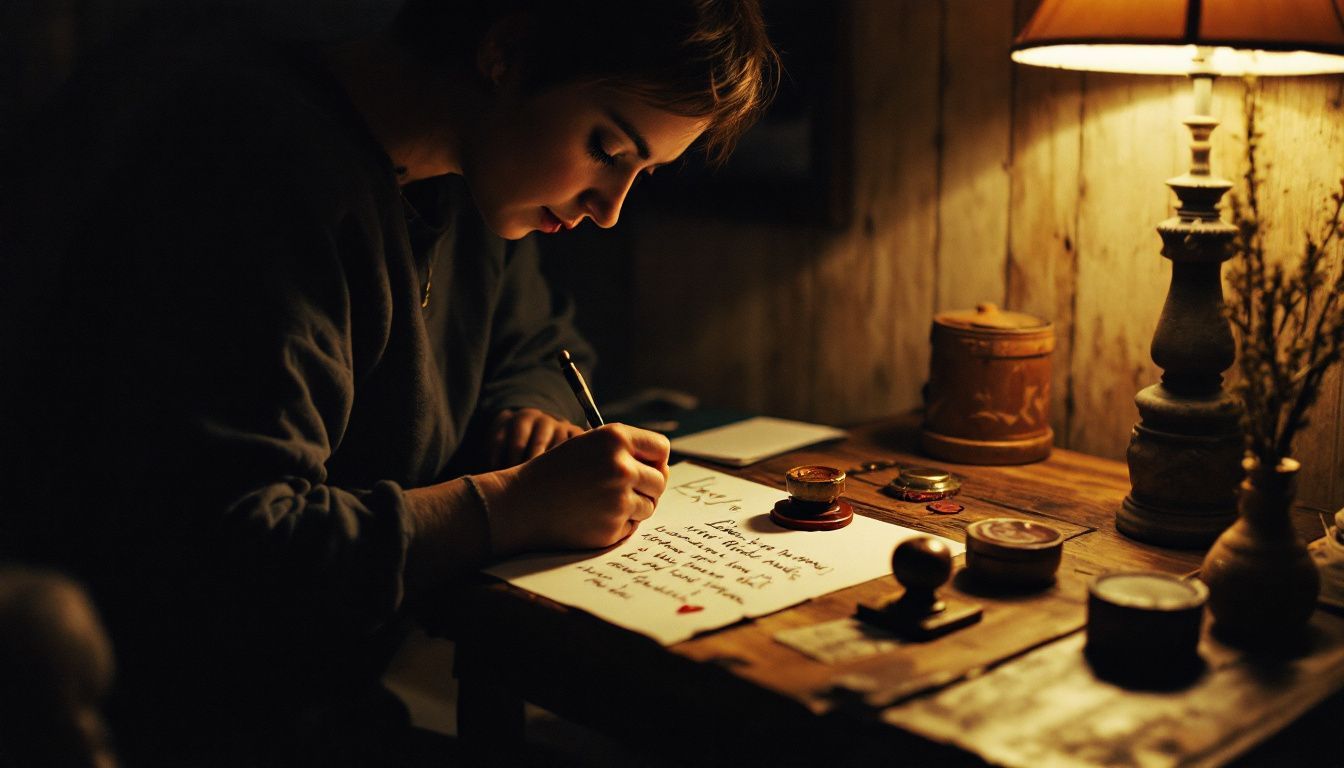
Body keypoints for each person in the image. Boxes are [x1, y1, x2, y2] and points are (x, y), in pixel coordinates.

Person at [0, 0, 777, 765]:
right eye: (609, 150)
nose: (610, 210)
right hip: (190, 720)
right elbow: (234, 551)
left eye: (644, 172)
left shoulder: (477, 178)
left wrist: (527, 406)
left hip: (332, 705)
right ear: (506, 51)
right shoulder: (256, 175)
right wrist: (511, 506)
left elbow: (539, 338)